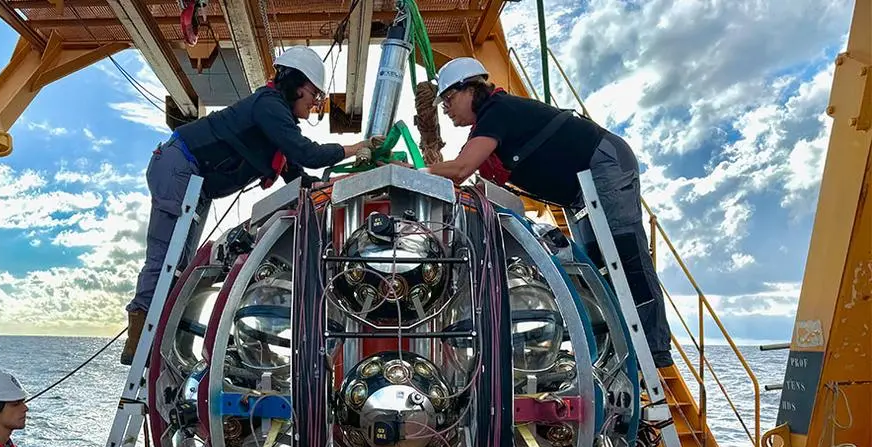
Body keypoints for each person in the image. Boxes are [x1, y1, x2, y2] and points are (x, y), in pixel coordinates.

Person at [120, 46, 379, 365]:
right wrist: (357, 148)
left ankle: (161, 340)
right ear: (297, 84)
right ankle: (138, 339)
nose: (316, 101)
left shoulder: (276, 123)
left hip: (195, 182)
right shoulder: (269, 106)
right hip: (179, 164)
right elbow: (306, 153)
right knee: (165, 256)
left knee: (182, 264)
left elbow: (299, 176)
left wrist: (339, 186)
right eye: (315, 93)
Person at [425, 58, 674, 370]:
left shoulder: (496, 111)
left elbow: (461, 169)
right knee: (594, 267)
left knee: (623, 255)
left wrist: (417, 171)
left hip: (603, 164)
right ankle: (618, 349)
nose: (446, 109)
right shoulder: (489, 124)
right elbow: (477, 177)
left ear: (471, 89)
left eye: (448, 99)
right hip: (577, 191)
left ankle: (653, 346)